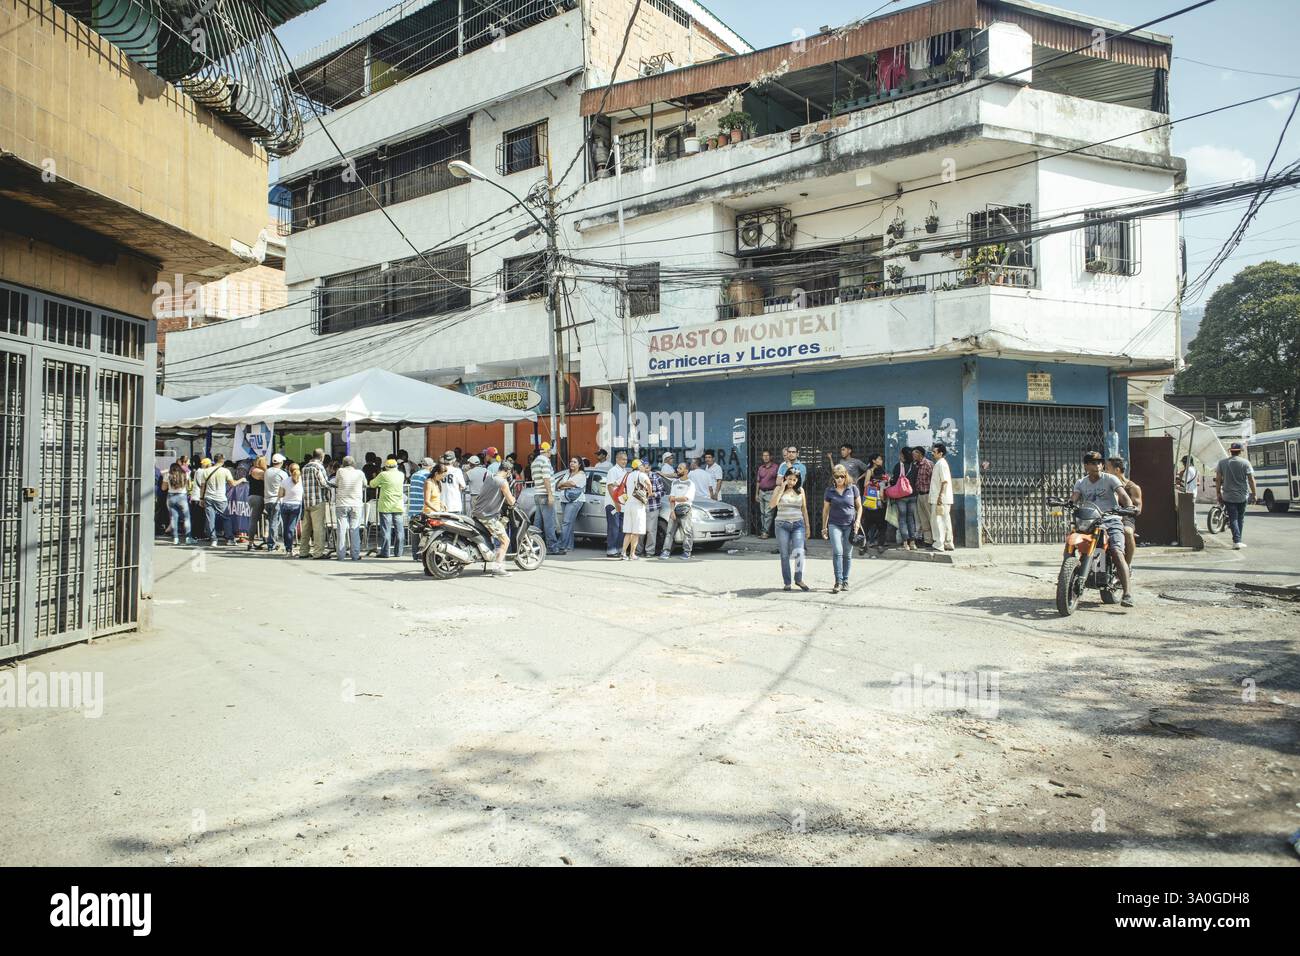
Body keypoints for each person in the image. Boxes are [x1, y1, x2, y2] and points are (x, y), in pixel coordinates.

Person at [1071, 450, 1136, 606]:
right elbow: (1074, 499)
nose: (1098, 465)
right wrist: (1068, 504)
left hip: (1111, 519)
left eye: (1100, 462)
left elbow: (1123, 496)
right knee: (1075, 542)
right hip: (1090, 521)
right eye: (1094, 463)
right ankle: (1068, 577)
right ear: (1086, 465)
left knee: (1116, 551)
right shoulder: (1081, 483)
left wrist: (1128, 506)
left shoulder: (1110, 479)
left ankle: (1127, 593)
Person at [472, 458, 516, 576]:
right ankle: (497, 568)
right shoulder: (502, 482)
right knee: (505, 541)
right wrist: (513, 499)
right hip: (487, 516)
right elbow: (510, 501)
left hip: (477, 513)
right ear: (507, 471)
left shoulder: (489, 477)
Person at [822, 464, 862, 592]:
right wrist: (824, 527)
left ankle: (845, 581)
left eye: (842, 476)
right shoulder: (829, 491)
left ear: (846, 476)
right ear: (833, 477)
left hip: (850, 525)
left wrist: (858, 521)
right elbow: (826, 510)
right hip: (834, 524)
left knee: (847, 554)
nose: (839, 479)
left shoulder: (853, 489)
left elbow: (859, 507)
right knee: (837, 552)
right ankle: (838, 581)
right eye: (836, 476)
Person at [770, 468, 811, 591]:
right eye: (789, 479)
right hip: (782, 525)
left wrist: (807, 526)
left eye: (794, 480)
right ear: (785, 478)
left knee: (799, 552)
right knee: (784, 554)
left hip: (798, 524)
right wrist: (782, 489)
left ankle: (798, 579)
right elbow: (772, 505)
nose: (792, 482)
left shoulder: (800, 490)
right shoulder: (778, 489)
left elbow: (804, 509)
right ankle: (787, 582)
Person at [1215, 441, 1257, 550]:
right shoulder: (1245, 463)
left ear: (1231, 451)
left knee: (1233, 517)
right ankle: (1237, 540)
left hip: (1228, 496)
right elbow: (1251, 480)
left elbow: (1218, 479)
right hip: (1242, 496)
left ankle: (1237, 540)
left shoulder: (1222, 463)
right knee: (1240, 518)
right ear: (1240, 451)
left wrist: (1218, 493)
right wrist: (1254, 494)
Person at [197, 454, 243, 547]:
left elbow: (202, 486)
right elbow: (232, 484)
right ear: (222, 461)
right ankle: (229, 539)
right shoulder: (225, 471)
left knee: (210, 519)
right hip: (221, 498)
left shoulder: (206, 471)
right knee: (226, 518)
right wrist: (242, 480)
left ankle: (213, 539)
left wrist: (201, 498)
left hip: (208, 497)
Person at [1106, 456, 1143, 566]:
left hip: (1126, 517)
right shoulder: (1106, 485)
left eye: (1107, 468)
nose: (1105, 471)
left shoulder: (1133, 487)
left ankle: (1126, 566)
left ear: (1117, 470)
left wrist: (1129, 510)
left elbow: (1138, 508)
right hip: (1108, 515)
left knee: (1127, 532)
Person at [331, 455, 366, 561]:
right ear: (353, 464)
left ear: (343, 464)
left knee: (341, 529)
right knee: (354, 529)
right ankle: (355, 555)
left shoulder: (340, 472)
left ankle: (340, 555)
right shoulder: (360, 473)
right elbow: (365, 484)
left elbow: (336, 484)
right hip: (356, 504)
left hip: (342, 504)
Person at [369, 458, 406, 558]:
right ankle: (398, 552)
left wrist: (381, 483)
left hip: (385, 506)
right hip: (398, 505)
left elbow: (372, 484)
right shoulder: (401, 475)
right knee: (399, 530)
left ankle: (385, 552)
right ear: (396, 466)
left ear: (386, 467)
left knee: (386, 530)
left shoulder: (383, 475)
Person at [299, 449, 332, 560]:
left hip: (307, 501)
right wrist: (331, 486)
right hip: (317, 500)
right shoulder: (318, 467)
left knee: (306, 528)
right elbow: (323, 483)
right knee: (318, 528)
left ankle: (303, 551)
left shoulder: (304, 467)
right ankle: (318, 553)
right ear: (321, 457)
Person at [660, 462, 696, 561]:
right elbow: (671, 498)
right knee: (669, 532)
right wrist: (672, 511)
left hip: (686, 511)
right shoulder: (674, 482)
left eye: (680, 468)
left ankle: (686, 552)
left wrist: (674, 499)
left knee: (687, 532)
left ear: (686, 471)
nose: (677, 470)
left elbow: (686, 498)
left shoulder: (690, 484)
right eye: (678, 468)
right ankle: (666, 551)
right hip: (674, 510)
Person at [530, 442, 558, 554]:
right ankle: (552, 547)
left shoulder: (535, 462)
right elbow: (546, 478)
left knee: (538, 522)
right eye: (550, 451)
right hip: (545, 494)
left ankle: (534, 546)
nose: (550, 453)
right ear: (547, 451)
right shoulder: (545, 461)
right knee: (549, 523)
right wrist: (550, 494)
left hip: (538, 494)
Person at [619, 458, 650, 559]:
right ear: (639, 466)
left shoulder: (628, 475)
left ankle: (623, 553)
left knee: (628, 531)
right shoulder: (641, 474)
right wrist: (649, 493)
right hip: (637, 505)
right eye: (642, 465)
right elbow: (648, 484)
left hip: (628, 505)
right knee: (636, 532)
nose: (644, 467)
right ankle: (632, 554)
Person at [891, 447, 921, 551]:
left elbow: (894, 481)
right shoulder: (915, 466)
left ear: (903, 455)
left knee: (902, 519)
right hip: (912, 496)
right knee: (911, 519)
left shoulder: (898, 466)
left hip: (901, 497)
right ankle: (912, 543)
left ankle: (905, 544)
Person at [556, 457, 585, 554]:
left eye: (574, 462)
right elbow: (558, 485)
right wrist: (566, 484)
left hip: (575, 501)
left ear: (579, 464)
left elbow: (572, 483)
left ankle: (561, 546)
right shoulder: (568, 473)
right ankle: (569, 546)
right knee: (569, 524)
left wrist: (565, 484)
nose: (572, 463)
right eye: (571, 461)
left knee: (566, 523)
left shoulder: (581, 474)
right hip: (564, 500)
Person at [861, 453, 889, 554]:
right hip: (872, 501)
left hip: (877, 501)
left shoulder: (882, 470)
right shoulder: (870, 471)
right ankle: (867, 544)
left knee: (875, 525)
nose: (881, 461)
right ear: (874, 461)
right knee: (870, 525)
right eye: (879, 459)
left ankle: (875, 544)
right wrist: (876, 483)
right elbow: (865, 484)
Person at [929, 443, 955, 553]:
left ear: (941, 453)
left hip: (940, 498)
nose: (932, 453)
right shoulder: (940, 463)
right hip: (942, 497)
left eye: (934, 452)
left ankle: (939, 544)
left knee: (938, 521)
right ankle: (948, 543)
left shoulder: (941, 464)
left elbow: (944, 482)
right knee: (945, 520)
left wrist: (940, 496)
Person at [639, 459, 667, 558]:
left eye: (646, 468)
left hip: (652, 507)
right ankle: (638, 551)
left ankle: (649, 552)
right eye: (643, 468)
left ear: (649, 468)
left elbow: (663, 492)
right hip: (640, 507)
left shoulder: (655, 477)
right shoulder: (638, 476)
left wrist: (653, 494)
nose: (645, 470)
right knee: (640, 530)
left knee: (651, 530)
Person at [604, 450, 628, 557]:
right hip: (613, 504)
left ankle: (618, 549)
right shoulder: (613, 471)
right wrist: (616, 503)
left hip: (622, 505)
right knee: (613, 527)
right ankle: (611, 550)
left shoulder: (624, 471)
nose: (625, 461)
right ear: (617, 459)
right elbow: (610, 487)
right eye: (623, 459)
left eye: (626, 459)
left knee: (621, 528)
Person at [278, 462, 303, 557]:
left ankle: (288, 548)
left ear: (289, 470)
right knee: (291, 528)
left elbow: (280, 494)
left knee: (285, 527)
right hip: (296, 505)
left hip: (285, 505)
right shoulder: (302, 481)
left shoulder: (284, 481)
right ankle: (290, 549)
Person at [263, 453, 288, 552]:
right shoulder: (282, 473)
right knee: (274, 522)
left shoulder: (267, 472)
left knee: (270, 522)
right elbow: (287, 486)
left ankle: (273, 541)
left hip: (267, 500)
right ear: (281, 462)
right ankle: (271, 544)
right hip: (276, 500)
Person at [754, 449, 779, 539]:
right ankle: (764, 531)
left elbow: (779, 481)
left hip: (771, 492)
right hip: (761, 492)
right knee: (762, 513)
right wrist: (756, 494)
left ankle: (765, 532)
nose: (765, 457)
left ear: (771, 457)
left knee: (768, 513)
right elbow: (758, 481)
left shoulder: (776, 467)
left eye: (767, 455)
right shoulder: (761, 468)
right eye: (764, 455)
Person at [164, 462, 192, 544]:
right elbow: (189, 486)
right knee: (186, 518)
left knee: (173, 518)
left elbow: (163, 488)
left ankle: (175, 538)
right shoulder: (185, 474)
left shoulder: (167, 475)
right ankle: (188, 538)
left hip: (171, 497)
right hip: (182, 496)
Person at [246, 456, 268, 551]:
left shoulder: (252, 470)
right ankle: (251, 542)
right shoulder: (260, 472)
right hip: (258, 497)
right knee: (255, 520)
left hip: (252, 496)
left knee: (262, 518)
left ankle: (264, 538)